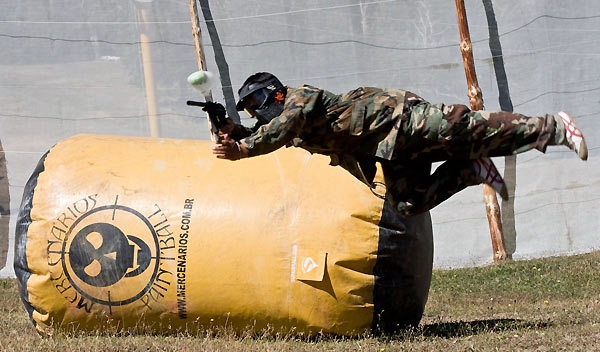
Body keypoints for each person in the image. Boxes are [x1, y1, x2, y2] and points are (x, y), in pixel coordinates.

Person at [212, 72, 588, 216]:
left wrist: (243, 149)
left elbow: (280, 130)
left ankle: (555, 126)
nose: (254, 116)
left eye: (254, 107)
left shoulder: (299, 99)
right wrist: (235, 132)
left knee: (471, 130)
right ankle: (471, 170)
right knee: (408, 203)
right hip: (389, 149)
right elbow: (275, 134)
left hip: (400, 118)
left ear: (273, 95)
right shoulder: (287, 125)